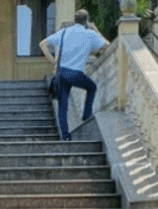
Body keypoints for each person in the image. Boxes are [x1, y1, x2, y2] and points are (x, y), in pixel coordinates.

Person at [40, 9, 109, 141]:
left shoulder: (65, 32)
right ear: (86, 21)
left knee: (63, 106)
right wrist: (96, 30)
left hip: (62, 73)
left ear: (75, 20)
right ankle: (86, 114)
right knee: (92, 87)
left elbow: (42, 44)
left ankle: (66, 137)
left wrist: (53, 61)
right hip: (75, 74)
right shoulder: (90, 34)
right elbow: (108, 46)